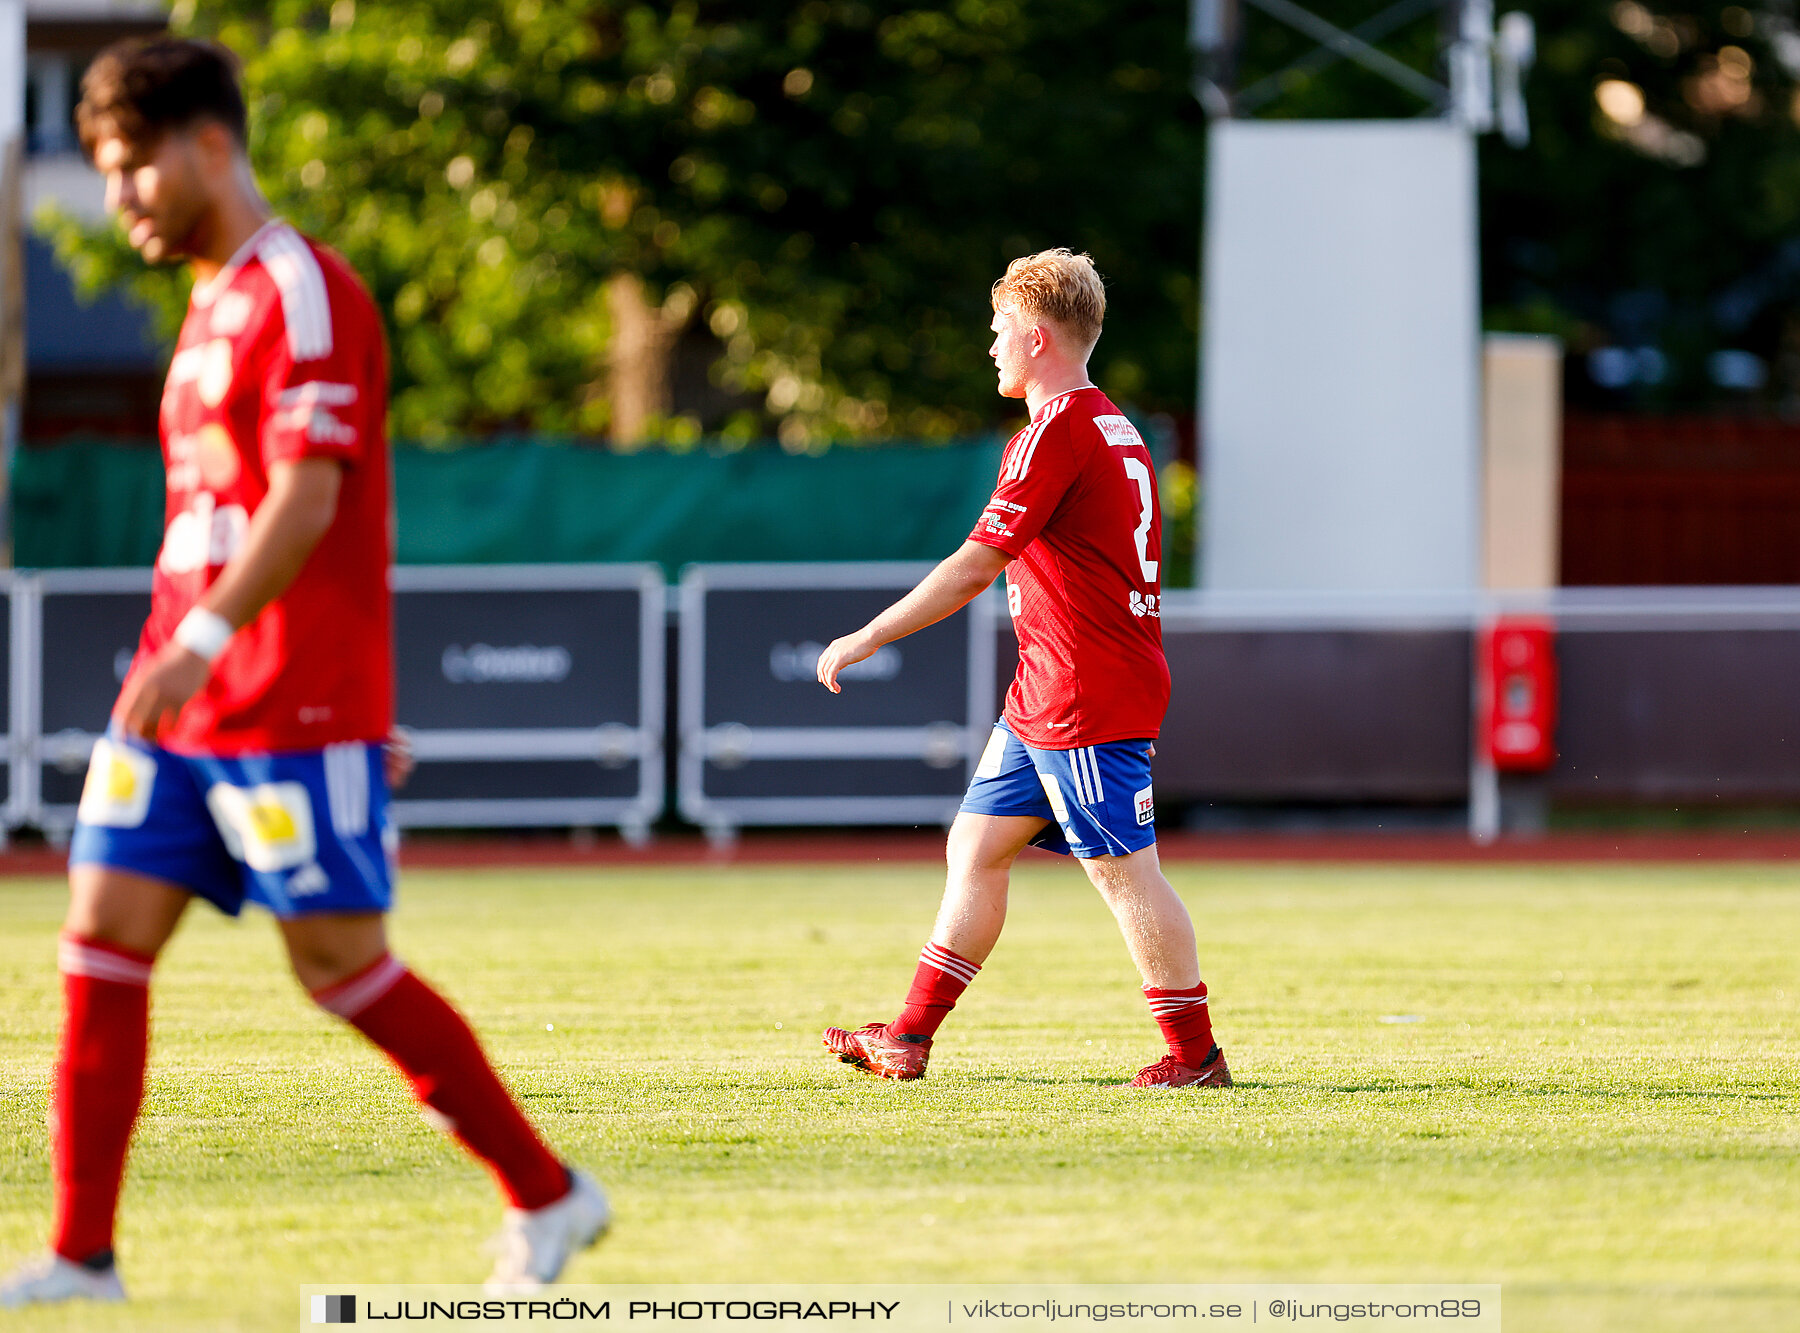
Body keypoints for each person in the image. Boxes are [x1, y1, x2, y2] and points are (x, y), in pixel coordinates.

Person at [0, 38, 606, 1308]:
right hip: (179, 698)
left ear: (207, 145)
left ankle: (549, 1194)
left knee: (338, 968)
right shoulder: (210, 302)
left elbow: (309, 499)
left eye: (127, 168)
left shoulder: (305, 290)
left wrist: (208, 642)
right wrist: (178, 656)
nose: (117, 200)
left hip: (286, 697)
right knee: (98, 942)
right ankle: (83, 1255)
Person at [816, 249, 1230, 1091]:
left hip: (1082, 691)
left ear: (1037, 336)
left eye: (1001, 329)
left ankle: (1195, 1057)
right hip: (1053, 687)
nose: (993, 345)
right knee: (974, 847)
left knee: (1126, 875)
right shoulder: (1115, 424)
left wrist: (868, 634)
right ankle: (908, 1036)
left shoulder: (1057, 431)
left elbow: (975, 566)